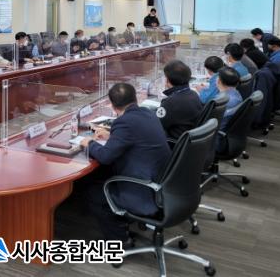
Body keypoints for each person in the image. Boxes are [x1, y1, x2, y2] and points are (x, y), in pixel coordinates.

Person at [79, 83, 171, 243]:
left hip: (144, 190)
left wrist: (89, 143)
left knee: (93, 193)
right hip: (162, 181)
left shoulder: (124, 122)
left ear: (112, 106)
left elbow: (105, 157)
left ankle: (120, 240)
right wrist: (113, 137)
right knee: (101, 175)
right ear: (135, 98)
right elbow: (137, 137)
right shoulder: (148, 113)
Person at [159, 60, 203, 140]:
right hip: (190, 140)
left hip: (174, 142)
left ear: (167, 80)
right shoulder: (194, 94)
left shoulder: (169, 102)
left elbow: (157, 126)